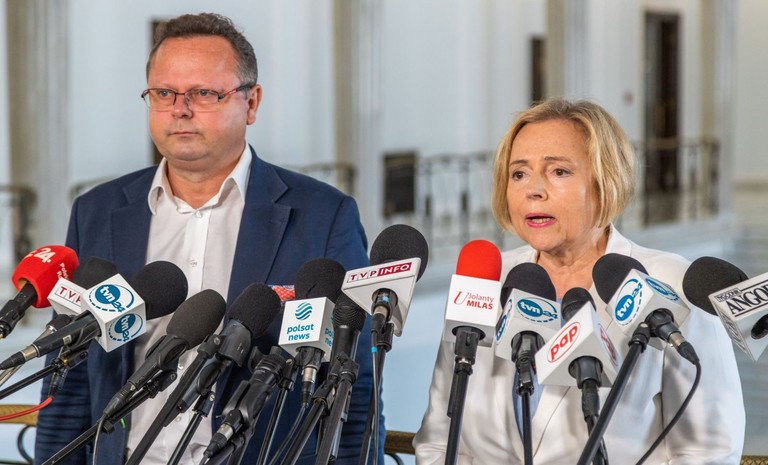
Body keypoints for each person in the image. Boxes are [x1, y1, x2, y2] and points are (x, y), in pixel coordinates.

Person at [34, 13, 382, 465]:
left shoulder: (323, 216)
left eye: (203, 93)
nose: (180, 109)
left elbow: (354, 383)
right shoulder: (97, 212)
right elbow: (68, 378)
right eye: (164, 93)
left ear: (251, 103)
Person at [413, 98, 744, 464]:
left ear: (605, 182)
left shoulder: (671, 283)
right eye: (519, 174)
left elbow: (710, 451)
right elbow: (438, 440)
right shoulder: (485, 278)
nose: (533, 190)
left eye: (559, 172)